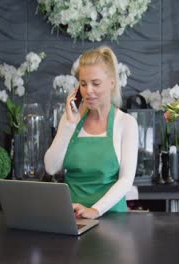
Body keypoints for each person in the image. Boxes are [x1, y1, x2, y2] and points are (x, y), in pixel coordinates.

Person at [44, 46, 139, 220]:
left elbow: (126, 181)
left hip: (112, 220)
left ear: (111, 83)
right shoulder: (70, 119)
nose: (88, 91)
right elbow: (51, 168)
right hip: (72, 218)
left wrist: (95, 210)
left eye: (96, 83)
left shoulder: (126, 123)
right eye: (83, 83)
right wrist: (69, 125)